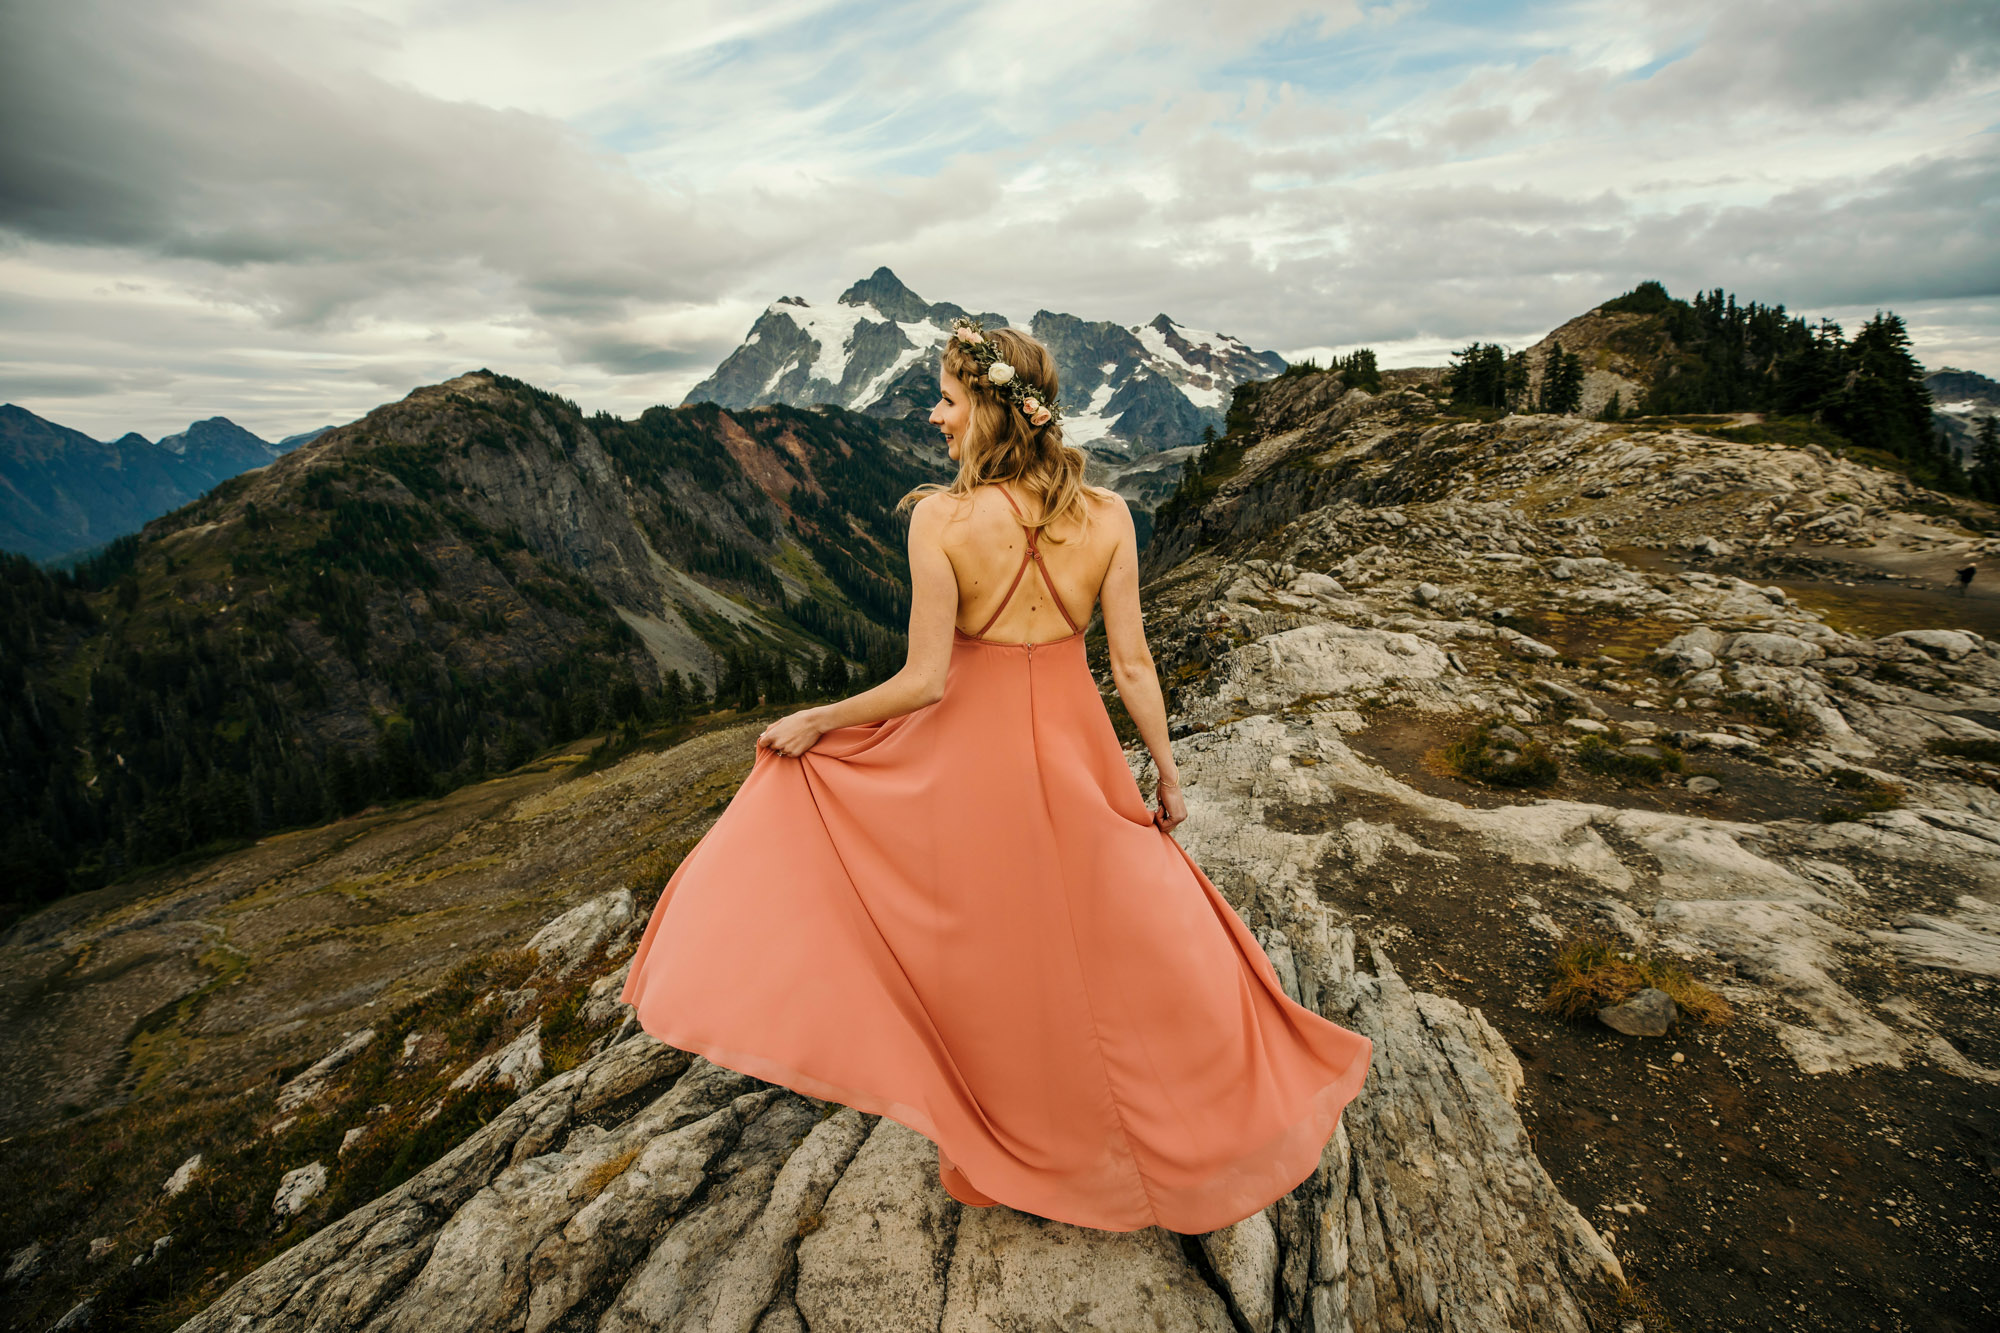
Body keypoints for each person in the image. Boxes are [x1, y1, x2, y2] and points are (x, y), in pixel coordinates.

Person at [618, 319, 1372, 1234]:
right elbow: (1131, 665)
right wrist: (1165, 776)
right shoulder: (1109, 518)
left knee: (993, 957)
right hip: (1075, 750)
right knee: (1109, 944)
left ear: (990, 407)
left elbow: (925, 681)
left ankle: (1004, 1140)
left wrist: (818, 720)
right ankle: (1137, 1128)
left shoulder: (941, 518)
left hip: (967, 764)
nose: (935, 416)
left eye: (946, 398)